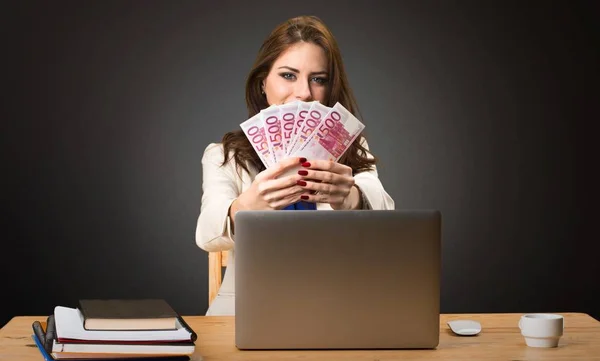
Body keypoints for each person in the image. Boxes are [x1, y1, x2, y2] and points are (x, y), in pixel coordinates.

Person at [195, 15, 395, 316]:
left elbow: (386, 214)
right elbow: (206, 233)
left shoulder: (351, 148)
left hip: (336, 310)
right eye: (288, 75)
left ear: (330, 88)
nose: (303, 93)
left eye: (318, 79)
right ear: (263, 83)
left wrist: (349, 197)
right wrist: (245, 207)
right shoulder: (224, 156)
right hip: (243, 312)